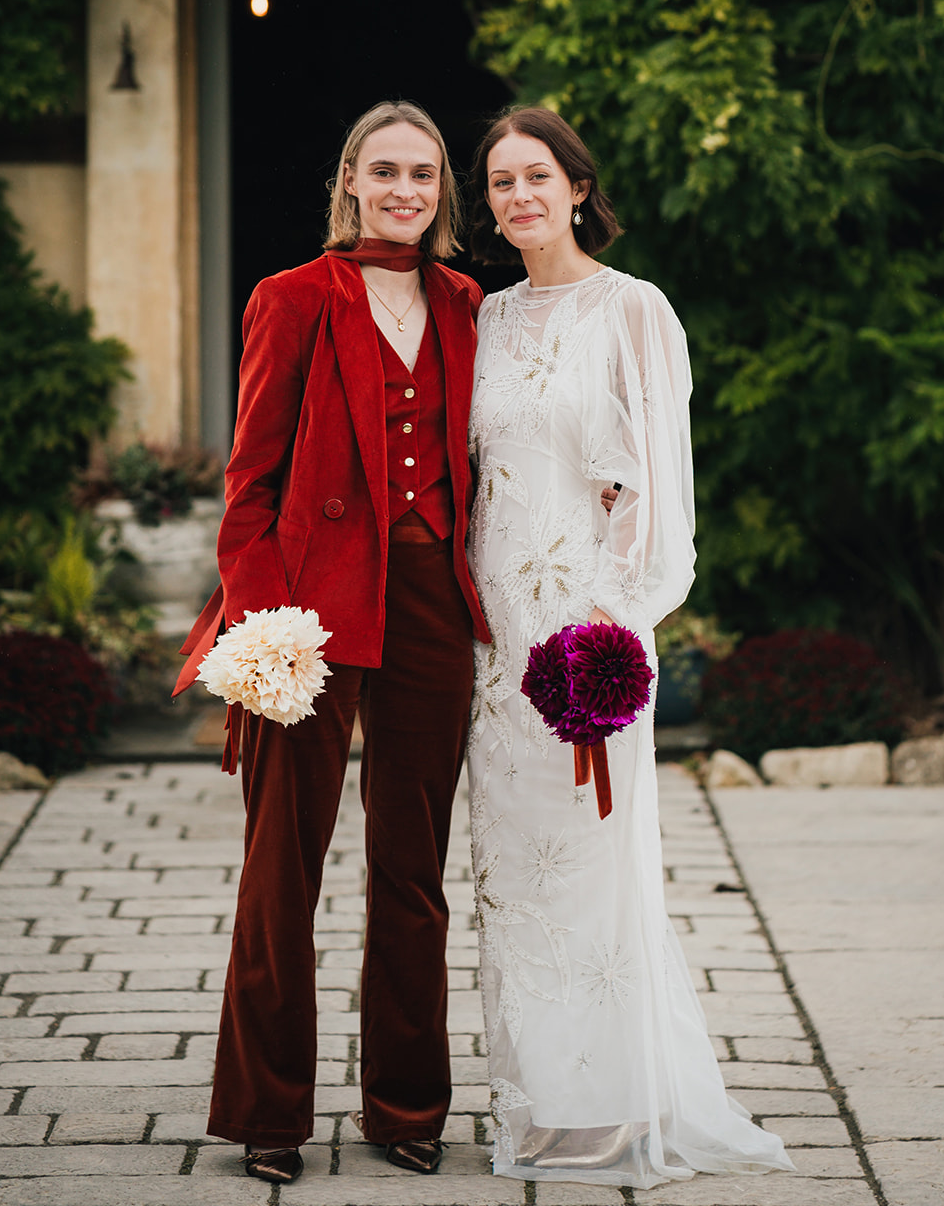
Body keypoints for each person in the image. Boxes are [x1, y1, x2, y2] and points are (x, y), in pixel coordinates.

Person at [464, 106, 793, 1188]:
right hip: (494, 637)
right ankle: (542, 1096)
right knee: (513, 871)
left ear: (574, 185)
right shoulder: (483, 317)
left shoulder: (633, 309)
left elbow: (655, 486)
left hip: (580, 632)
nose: (517, 197)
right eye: (500, 181)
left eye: (535, 176)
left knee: (596, 861)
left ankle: (613, 1102)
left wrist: (610, 633)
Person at [178, 100, 492, 1184]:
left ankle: (405, 1105)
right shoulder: (292, 296)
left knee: (412, 867)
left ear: (442, 191)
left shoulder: (465, 302)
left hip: (431, 607)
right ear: (351, 179)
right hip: (306, 606)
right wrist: (261, 617)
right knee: (281, 864)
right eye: (385, 171)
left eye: (424, 174)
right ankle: (268, 1111)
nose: (404, 190)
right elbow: (249, 479)